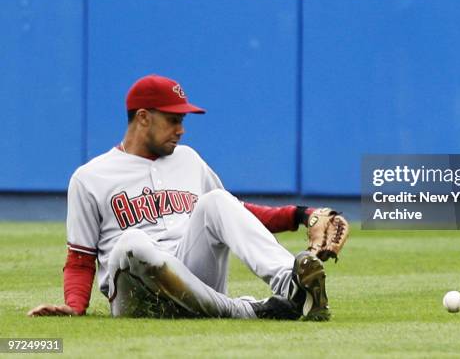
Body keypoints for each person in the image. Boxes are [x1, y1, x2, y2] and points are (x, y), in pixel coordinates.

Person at [28, 74, 338, 320]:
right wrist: (74, 306)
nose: (181, 130)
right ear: (143, 118)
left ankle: (294, 288)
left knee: (216, 200)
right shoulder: (90, 177)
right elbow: (80, 259)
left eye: (182, 121)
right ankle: (243, 309)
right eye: (173, 120)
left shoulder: (189, 159)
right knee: (132, 242)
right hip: (135, 295)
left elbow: (237, 214)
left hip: (196, 279)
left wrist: (302, 214)